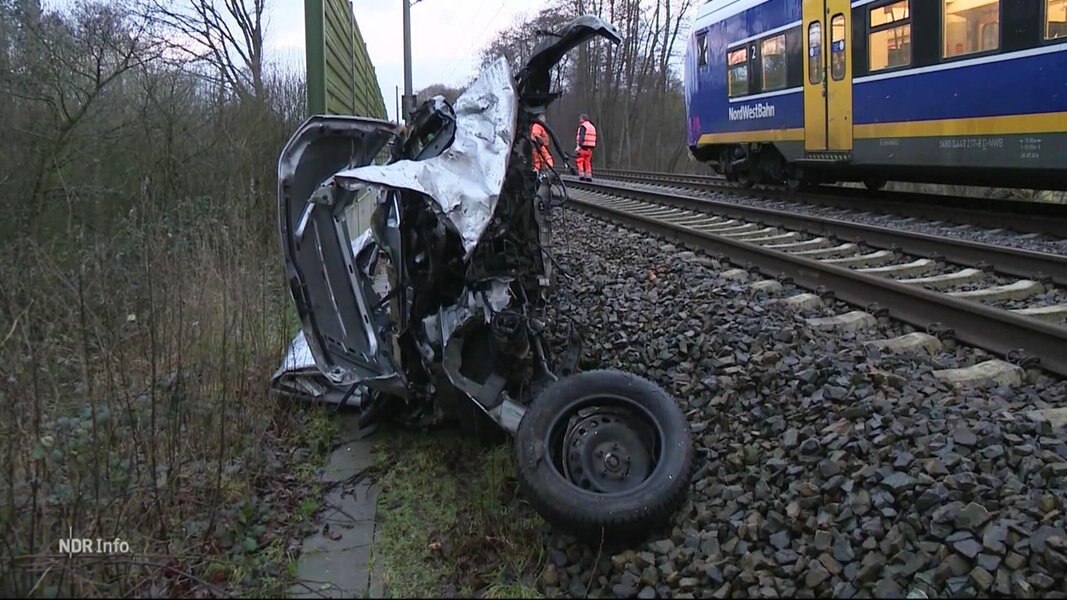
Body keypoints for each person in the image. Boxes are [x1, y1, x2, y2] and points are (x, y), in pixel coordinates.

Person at [574, 113, 597, 181]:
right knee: (587, 162)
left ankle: (581, 176)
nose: (579, 120)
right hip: (590, 149)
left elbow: (581, 137)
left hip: (583, 147)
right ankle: (589, 176)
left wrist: (579, 146)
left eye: (580, 118)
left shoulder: (583, 126)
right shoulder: (592, 126)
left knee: (579, 161)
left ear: (583, 119)